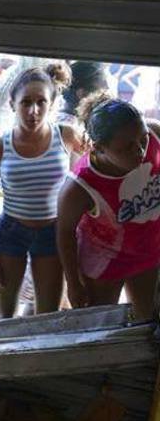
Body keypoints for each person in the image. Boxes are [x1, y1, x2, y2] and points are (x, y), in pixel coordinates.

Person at [0, 63, 85, 318]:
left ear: (52, 104)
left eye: (41, 102)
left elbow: (96, 169)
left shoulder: (67, 136)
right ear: (12, 104)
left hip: (54, 233)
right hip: (11, 232)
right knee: (4, 314)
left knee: (46, 314)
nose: (33, 111)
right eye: (26, 102)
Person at [58, 93, 160, 321]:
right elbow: (65, 233)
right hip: (103, 262)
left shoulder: (155, 133)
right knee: (99, 325)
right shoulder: (79, 186)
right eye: (126, 148)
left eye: (142, 140)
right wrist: (73, 283)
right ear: (98, 148)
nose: (140, 151)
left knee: (146, 321)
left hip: (148, 251)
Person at [58, 61, 110, 127]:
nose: (107, 87)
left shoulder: (60, 122)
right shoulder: (72, 130)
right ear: (82, 94)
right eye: (101, 92)